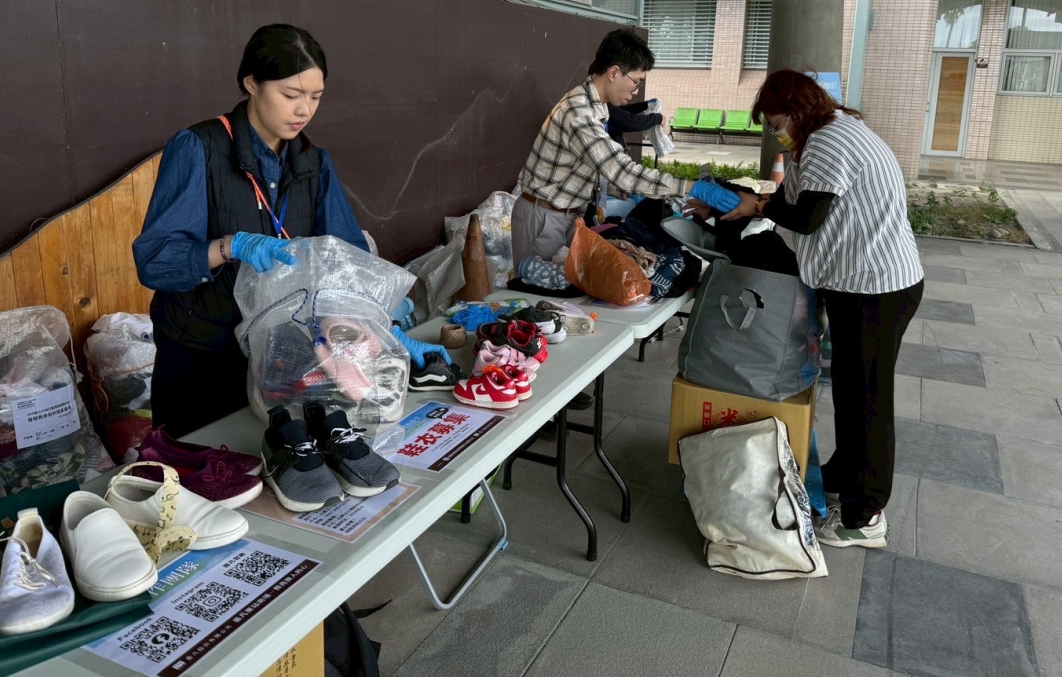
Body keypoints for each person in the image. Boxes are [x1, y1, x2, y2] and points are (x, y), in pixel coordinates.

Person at [133, 24, 447, 436]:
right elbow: (155, 261)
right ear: (252, 83)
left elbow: (348, 260)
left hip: (281, 357)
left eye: (315, 97)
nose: (304, 110)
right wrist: (229, 246)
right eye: (291, 95)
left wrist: (383, 330)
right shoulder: (199, 148)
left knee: (279, 458)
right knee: (201, 461)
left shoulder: (312, 163)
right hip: (202, 357)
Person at [696, 69, 923, 549]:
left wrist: (757, 207)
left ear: (797, 111)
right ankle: (846, 472)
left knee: (867, 397)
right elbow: (788, 199)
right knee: (852, 389)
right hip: (859, 283)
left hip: (875, 288)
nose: (776, 133)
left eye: (777, 123)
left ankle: (865, 515)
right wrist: (745, 202)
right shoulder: (819, 136)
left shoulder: (829, 141)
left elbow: (805, 217)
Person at [514, 28, 680, 264]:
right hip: (544, 217)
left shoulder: (598, 107)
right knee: (538, 284)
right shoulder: (578, 111)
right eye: (636, 82)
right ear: (614, 73)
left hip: (565, 214)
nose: (635, 92)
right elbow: (619, 169)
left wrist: (616, 190)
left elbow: (592, 166)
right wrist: (688, 187)